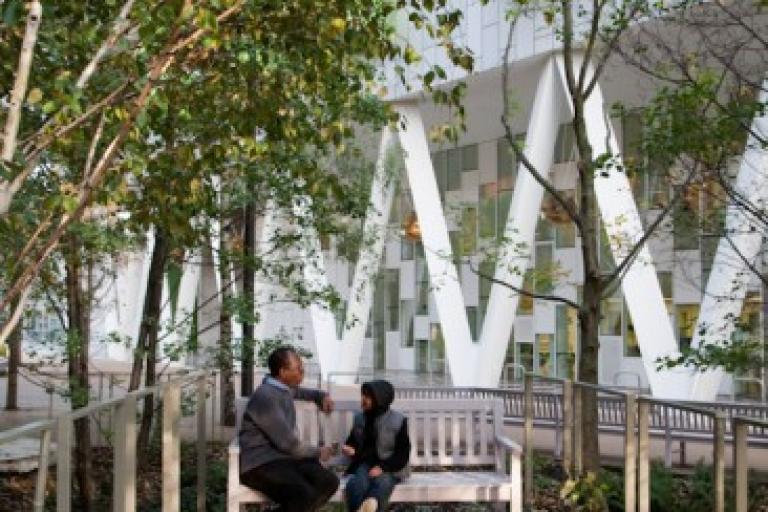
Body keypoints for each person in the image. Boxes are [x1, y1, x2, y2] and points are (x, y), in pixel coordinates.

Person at [239, 346, 339, 512]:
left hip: (284, 459)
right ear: (283, 372)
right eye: (298, 369)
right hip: (260, 463)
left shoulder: (281, 389)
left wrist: (320, 396)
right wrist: (318, 452)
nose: (302, 372)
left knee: (328, 482)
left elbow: (299, 392)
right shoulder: (266, 397)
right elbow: (288, 444)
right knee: (302, 494)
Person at [342, 380, 411, 512]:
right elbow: (353, 441)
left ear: (380, 399)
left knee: (383, 483)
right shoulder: (360, 419)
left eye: (368, 396)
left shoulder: (397, 420)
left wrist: (383, 467)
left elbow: (403, 453)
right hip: (366, 464)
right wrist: (350, 448)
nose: (363, 399)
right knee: (358, 483)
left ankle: (372, 504)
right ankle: (366, 507)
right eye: (363, 395)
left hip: (391, 467)